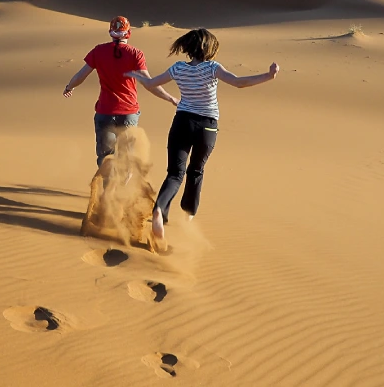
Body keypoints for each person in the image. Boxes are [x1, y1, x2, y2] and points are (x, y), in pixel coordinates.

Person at [126, 28, 279, 242]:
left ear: (189, 48)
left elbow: (151, 84)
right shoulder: (212, 67)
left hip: (182, 122)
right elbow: (238, 83)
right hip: (207, 126)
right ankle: (188, 215)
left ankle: (160, 209)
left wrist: (138, 76)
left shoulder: (178, 68)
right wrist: (269, 76)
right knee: (196, 170)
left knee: (174, 174)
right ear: (209, 49)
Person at [63, 16, 178, 167]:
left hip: (105, 112)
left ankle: (108, 187)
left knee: (105, 157)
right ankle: (124, 180)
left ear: (111, 32)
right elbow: (149, 83)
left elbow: (80, 76)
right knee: (127, 156)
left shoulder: (98, 51)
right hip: (128, 112)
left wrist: (69, 87)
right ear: (128, 32)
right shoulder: (135, 54)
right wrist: (171, 98)